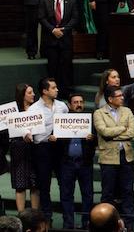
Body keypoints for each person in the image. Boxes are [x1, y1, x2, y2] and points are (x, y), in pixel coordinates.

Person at [93, 85, 134, 226]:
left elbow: (132, 132)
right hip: (108, 158)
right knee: (108, 192)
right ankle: (106, 222)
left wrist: (113, 136)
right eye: (119, 96)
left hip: (126, 156)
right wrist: (122, 129)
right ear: (110, 99)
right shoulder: (99, 113)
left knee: (127, 191)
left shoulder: (127, 111)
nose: (122, 98)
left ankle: (129, 224)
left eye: (122, 95)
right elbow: (104, 132)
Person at [24, 78, 67, 221]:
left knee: (64, 183)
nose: (57, 90)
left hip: (60, 148)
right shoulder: (33, 109)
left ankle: (67, 216)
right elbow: (27, 129)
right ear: (44, 91)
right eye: (53, 88)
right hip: (42, 149)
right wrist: (27, 135)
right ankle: (47, 218)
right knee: (44, 185)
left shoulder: (62, 106)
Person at [57, 92, 95, 229]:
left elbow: (98, 140)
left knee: (88, 194)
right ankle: (68, 224)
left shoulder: (90, 120)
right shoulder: (61, 121)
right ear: (69, 105)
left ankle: (87, 223)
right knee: (66, 194)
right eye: (75, 102)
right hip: (67, 163)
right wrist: (55, 138)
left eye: (81, 102)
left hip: (85, 163)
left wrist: (93, 138)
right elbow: (57, 144)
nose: (79, 105)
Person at [37, 0, 78, 91]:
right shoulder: (45, 0)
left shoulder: (72, 0)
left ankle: (66, 91)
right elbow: (41, 17)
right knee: (52, 68)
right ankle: (53, 92)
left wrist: (64, 29)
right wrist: (53, 30)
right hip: (51, 41)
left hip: (66, 40)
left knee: (66, 67)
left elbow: (75, 18)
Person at [11, 83, 38, 212]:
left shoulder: (37, 109)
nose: (33, 94)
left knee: (35, 183)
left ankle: (35, 216)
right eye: (30, 92)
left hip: (35, 148)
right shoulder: (13, 111)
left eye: (33, 92)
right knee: (20, 184)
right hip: (19, 149)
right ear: (22, 95)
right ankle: (21, 216)